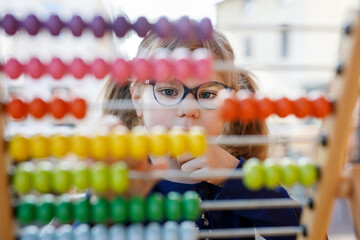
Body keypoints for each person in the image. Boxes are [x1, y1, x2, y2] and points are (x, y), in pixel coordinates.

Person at [102, 27, 301, 240]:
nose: (189, 109)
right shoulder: (123, 183)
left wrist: (236, 177)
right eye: (168, 91)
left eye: (207, 94)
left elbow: (311, 233)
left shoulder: (242, 179)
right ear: (138, 99)